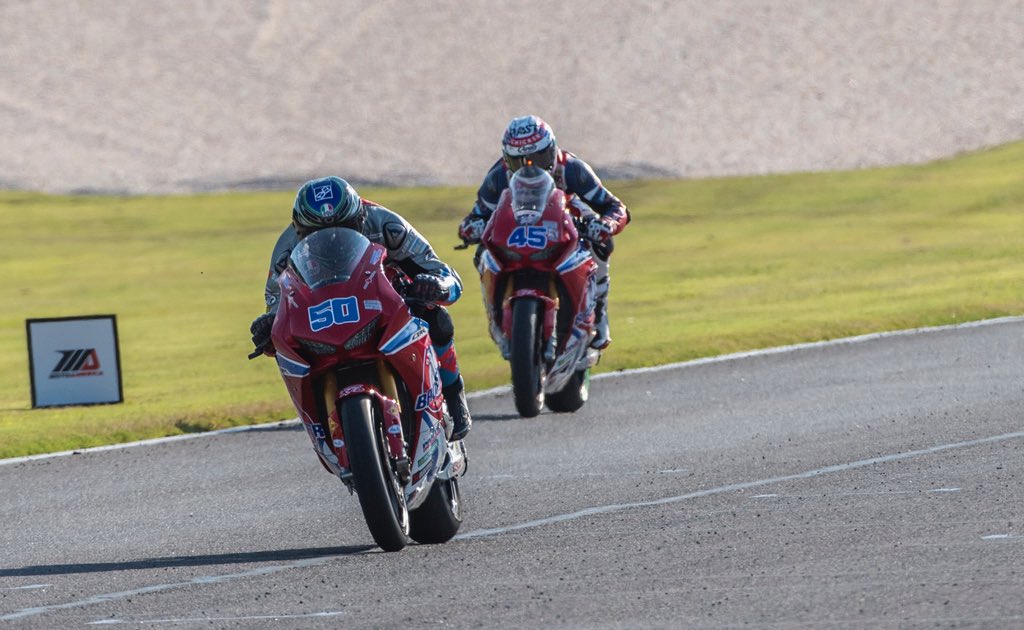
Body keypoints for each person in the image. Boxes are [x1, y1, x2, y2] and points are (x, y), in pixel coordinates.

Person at [251, 176, 471, 440]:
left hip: (385, 303)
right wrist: (268, 328)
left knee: (437, 318)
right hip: (326, 319)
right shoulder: (285, 252)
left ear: (360, 218)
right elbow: (277, 307)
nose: (333, 240)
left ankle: (452, 392)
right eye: (316, 235)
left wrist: (434, 285)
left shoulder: (386, 224)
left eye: (343, 228)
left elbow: (442, 272)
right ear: (301, 233)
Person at [458, 115, 630, 349]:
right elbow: (476, 214)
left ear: (551, 150)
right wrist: (471, 228)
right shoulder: (498, 175)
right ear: (508, 159)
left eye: (538, 158)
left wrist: (606, 224)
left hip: (564, 224)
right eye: (520, 160)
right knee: (482, 254)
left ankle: (598, 310)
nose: (530, 166)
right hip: (516, 233)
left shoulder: (572, 169)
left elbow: (615, 206)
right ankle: (495, 312)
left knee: (601, 244)